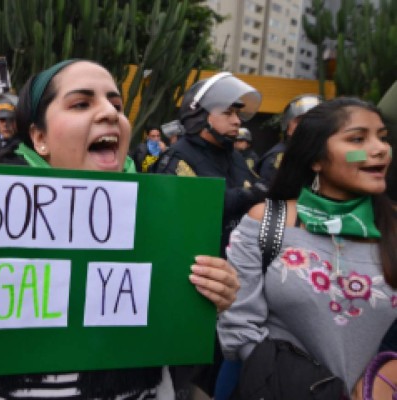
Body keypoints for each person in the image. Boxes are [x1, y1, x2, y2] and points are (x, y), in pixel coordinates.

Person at [0, 59, 240, 399]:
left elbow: (172, 337)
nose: (109, 112)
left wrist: (210, 299)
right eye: (81, 103)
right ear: (39, 138)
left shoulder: (167, 217)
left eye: (116, 104)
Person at [218, 97, 397, 398]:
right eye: (357, 139)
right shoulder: (265, 222)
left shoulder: (392, 228)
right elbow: (240, 331)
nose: (380, 149)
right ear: (316, 159)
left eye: (382, 137)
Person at [151, 72, 266, 255]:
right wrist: (250, 195)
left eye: (237, 114)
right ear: (199, 116)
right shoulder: (177, 159)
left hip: (238, 263)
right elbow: (196, 208)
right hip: (198, 264)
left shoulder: (234, 156)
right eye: (228, 113)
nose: (237, 121)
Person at [255, 93, 322, 185]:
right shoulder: (279, 158)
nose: (308, 125)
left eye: (315, 120)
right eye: (300, 121)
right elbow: (269, 196)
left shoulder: (322, 152)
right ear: (287, 127)